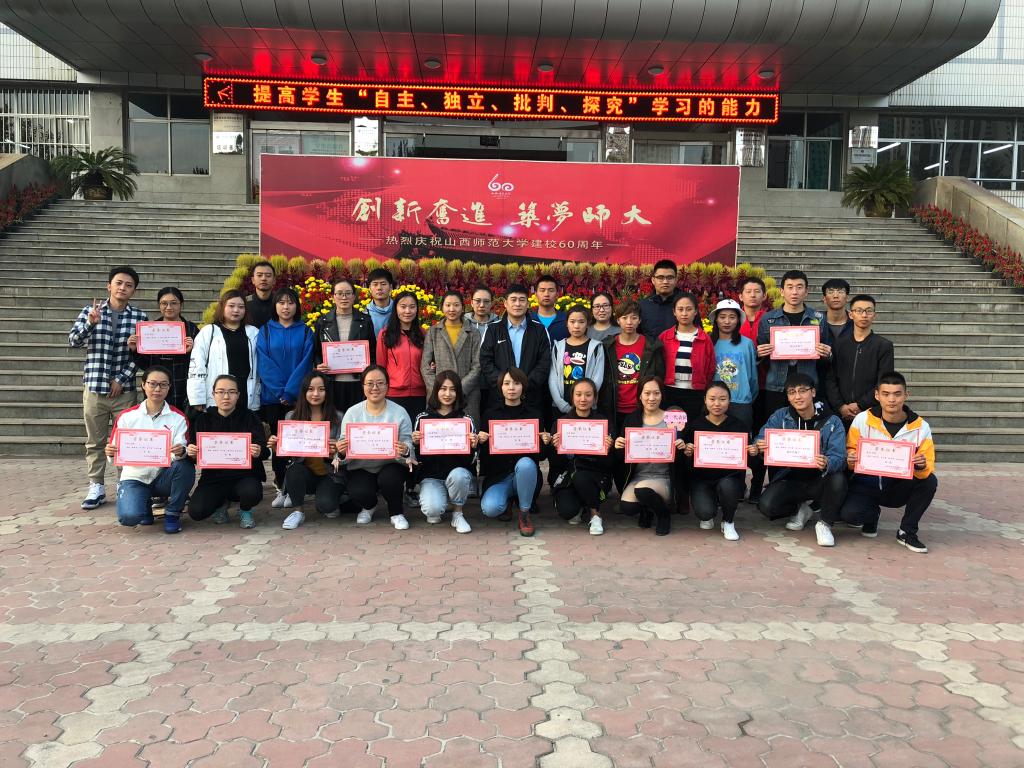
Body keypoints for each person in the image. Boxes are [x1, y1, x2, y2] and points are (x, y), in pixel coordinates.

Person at [69, 265, 148, 510]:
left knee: (126, 440)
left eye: (128, 285)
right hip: (94, 387)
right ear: (109, 286)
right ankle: (96, 485)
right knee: (95, 441)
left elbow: (143, 355)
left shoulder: (140, 317)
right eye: (119, 283)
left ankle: (126, 483)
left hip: (124, 391)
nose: (123, 288)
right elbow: (74, 341)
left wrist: (121, 379)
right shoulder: (90, 311)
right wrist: (90, 324)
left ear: (134, 291)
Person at [841, 372, 936, 553]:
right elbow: (850, 449)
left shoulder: (921, 427)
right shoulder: (863, 419)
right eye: (886, 394)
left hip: (898, 486)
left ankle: (907, 531)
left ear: (906, 395)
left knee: (930, 481)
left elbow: (927, 466)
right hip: (866, 483)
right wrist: (851, 457)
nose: (891, 400)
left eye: (897, 394)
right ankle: (872, 515)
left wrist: (921, 464)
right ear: (877, 395)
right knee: (850, 515)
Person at [753, 373, 847, 547]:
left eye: (802, 391)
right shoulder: (781, 416)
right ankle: (801, 508)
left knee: (838, 478)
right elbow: (760, 437)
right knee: (767, 506)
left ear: (813, 392)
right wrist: (759, 445)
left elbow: (840, 457)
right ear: (788, 396)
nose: (797, 396)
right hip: (790, 479)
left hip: (820, 480)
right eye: (792, 392)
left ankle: (825, 523)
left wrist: (827, 462)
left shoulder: (832, 421)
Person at [106, 366, 194, 534]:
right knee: (129, 518)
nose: (157, 389)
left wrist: (180, 452)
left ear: (169, 387)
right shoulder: (127, 416)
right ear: (143, 384)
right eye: (152, 384)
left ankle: (172, 513)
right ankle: (144, 505)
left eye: (163, 384)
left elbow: (182, 449)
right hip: (135, 477)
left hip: (163, 476)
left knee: (185, 467)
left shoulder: (178, 417)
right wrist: (111, 452)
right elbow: (115, 451)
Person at [185, 374, 269, 529]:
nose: (226, 397)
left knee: (251, 493)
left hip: (244, 476)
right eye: (221, 392)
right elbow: (194, 455)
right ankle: (220, 504)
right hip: (213, 478)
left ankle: (245, 510)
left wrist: (258, 451)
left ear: (238, 395)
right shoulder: (203, 420)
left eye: (231, 392)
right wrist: (191, 452)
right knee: (197, 511)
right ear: (213, 394)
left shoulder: (249, 417)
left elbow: (265, 451)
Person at [257, 287, 315, 506]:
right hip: (272, 398)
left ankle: (293, 489)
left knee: (296, 442)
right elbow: (264, 362)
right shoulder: (265, 331)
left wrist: (290, 391)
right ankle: (281, 486)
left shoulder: (305, 331)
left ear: (296, 306)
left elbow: (306, 362)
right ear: (275, 306)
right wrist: (280, 391)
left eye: (290, 303)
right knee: (277, 444)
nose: (286, 307)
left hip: (297, 397)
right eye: (281, 303)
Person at [337, 366, 414, 530]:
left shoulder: (399, 412)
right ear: (363, 386)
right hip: (361, 466)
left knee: (390, 479)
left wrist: (405, 450)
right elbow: (342, 448)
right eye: (370, 383)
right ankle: (369, 506)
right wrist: (342, 452)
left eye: (380, 383)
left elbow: (409, 444)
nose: (375, 388)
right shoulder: (352, 413)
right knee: (358, 491)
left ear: (387, 385)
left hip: (391, 464)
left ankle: (396, 512)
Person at [599, 300, 665, 491]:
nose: (629, 322)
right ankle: (620, 491)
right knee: (616, 452)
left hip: (640, 410)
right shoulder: (607, 345)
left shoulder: (651, 346)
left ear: (640, 320)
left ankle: (636, 491)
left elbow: (659, 375)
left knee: (637, 454)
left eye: (634, 318)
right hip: (614, 408)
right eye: (624, 318)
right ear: (617, 320)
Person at [266, 371, 345, 530]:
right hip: (305, 473)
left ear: (327, 392)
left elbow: (344, 455)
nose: (316, 394)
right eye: (310, 389)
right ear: (303, 392)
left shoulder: (338, 417)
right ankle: (298, 511)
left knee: (326, 506)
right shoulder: (291, 417)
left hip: (329, 473)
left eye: (321, 389)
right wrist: (277, 448)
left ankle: (338, 497)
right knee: (294, 469)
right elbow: (290, 455)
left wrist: (337, 450)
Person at [478, 367, 550, 537]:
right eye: (507, 383)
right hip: (499, 477)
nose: (511, 387)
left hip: (525, 475)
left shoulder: (534, 415)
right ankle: (509, 500)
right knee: (491, 508)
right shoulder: (490, 415)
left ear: (523, 387)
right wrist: (481, 442)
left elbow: (541, 456)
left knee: (525, 463)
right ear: (500, 387)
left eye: (516, 383)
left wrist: (544, 442)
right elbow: (484, 457)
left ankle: (524, 514)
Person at [682, 382, 758, 541]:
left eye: (722, 399)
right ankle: (710, 508)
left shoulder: (739, 426)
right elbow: (686, 461)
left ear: (729, 401)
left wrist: (753, 452)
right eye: (712, 399)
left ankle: (728, 521)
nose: (717, 403)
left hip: (729, 477)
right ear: (705, 400)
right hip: (702, 479)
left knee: (728, 486)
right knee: (705, 513)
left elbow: (749, 459)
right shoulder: (695, 426)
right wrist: (688, 453)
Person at [756, 269, 833, 417]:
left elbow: (828, 355)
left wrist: (827, 354)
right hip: (777, 386)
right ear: (782, 291)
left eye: (799, 287)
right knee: (777, 424)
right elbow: (759, 355)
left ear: (806, 291)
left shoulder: (818, 318)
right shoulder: (768, 319)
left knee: (806, 425)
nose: (794, 292)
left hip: (808, 385)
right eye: (790, 287)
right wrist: (759, 354)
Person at [615, 376, 685, 536]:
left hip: (663, 477)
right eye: (647, 393)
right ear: (640, 395)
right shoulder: (632, 418)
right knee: (628, 507)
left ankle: (664, 516)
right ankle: (647, 510)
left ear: (662, 395)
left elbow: (681, 459)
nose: (651, 398)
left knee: (643, 491)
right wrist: (618, 446)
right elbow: (621, 457)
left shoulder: (672, 418)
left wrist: (681, 447)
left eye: (656, 393)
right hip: (639, 477)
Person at [412, 371, 478, 533]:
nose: (447, 394)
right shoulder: (423, 418)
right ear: (436, 390)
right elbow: (417, 457)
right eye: (443, 389)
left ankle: (457, 513)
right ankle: (443, 498)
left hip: (456, 474)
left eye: (452, 389)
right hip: (431, 476)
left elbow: (471, 461)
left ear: (458, 393)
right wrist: (416, 443)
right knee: (432, 511)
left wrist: (473, 446)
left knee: (460, 475)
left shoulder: (466, 420)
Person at [549, 378, 614, 535]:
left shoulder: (603, 422)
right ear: (572, 397)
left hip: (595, 476)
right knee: (568, 512)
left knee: (581, 477)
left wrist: (609, 449)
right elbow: (555, 463)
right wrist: (555, 447)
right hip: (567, 477)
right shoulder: (561, 423)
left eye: (588, 395)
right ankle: (581, 505)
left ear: (595, 398)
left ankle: (595, 514)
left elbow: (610, 463)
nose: (583, 399)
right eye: (578, 394)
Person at [479, 283, 552, 413]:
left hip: (532, 399)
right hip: (499, 399)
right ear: (505, 303)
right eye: (513, 299)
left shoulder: (540, 330)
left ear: (528, 304)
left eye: (522, 300)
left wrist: (524, 385)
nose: (517, 304)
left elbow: (544, 362)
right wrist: (505, 384)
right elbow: (485, 361)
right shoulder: (493, 330)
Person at [825, 294, 895, 426]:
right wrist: (840, 406)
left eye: (869, 311)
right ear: (851, 315)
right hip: (840, 413)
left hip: (871, 412)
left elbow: (884, 381)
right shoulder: (839, 344)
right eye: (859, 311)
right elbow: (830, 378)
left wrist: (860, 405)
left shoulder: (883, 345)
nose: (864, 315)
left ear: (874, 315)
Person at [187, 290, 260, 414]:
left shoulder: (254, 333)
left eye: (241, 307)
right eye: (231, 306)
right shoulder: (209, 332)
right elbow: (197, 365)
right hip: (218, 394)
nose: (236, 310)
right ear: (222, 307)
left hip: (245, 391)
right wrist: (197, 397)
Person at [128, 287, 199, 413]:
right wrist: (134, 350)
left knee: (183, 421)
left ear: (181, 305)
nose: (169, 307)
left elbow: (199, 362)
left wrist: (190, 351)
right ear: (159, 305)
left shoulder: (191, 329)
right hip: (157, 386)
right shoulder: (150, 329)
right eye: (164, 303)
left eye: (174, 303)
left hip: (184, 384)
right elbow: (145, 365)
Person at [313, 278, 376, 413]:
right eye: (340, 293)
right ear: (333, 297)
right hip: (332, 383)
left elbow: (373, 350)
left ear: (354, 296)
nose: (344, 297)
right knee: (334, 418)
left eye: (348, 293)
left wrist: (368, 368)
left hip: (358, 382)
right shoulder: (322, 322)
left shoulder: (365, 321)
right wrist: (319, 365)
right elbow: (316, 351)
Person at [421, 290, 482, 425]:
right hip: (439, 395)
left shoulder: (473, 333)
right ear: (442, 307)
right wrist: (439, 389)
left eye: (456, 305)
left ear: (463, 307)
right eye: (448, 305)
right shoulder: (433, 332)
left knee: (467, 433)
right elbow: (425, 366)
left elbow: (477, 366)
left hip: (467, 395)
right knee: (439, 432)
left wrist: (459, 389)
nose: (452, 309)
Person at [738, 276, 770, 503]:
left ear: (764, 295)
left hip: (765, 385)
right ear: (740, 296)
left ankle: (757, 484)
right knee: (738, 436)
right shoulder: (732, 318)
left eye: (757, 291)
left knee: (761, 437)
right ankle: (738, 483)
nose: (752, 295)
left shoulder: (771, 320)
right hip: (738, 391)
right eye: (748, 291)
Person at [709, 299, 758, 433]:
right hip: (714, 402)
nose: (727, 321)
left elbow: (753, 376)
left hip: (740, 403)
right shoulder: (709, 343)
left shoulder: (747, 344)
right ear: (716, 319)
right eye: (722, 317)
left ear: (738, 320)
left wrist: (746, 398)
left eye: (732, 317)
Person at [549, 305, 605, 415]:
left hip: (586, 407)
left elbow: (598, 378)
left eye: (581, 322)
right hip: (561, 406)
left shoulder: (596, 347)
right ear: (566, 323)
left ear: (588, 323)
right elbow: (552, 378)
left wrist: (587, 400)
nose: (576, 326)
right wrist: (561, 404)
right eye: (572, 321)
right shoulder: (558, 347)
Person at [639, 259, 682, 338]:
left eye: (670, 277)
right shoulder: (643, 306)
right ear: (653, 280)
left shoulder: (686, 304)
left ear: (676, 280)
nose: (665, 282)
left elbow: (697, 333)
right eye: (660, 277)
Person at [530, 275, 567, 342]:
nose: (546, 294)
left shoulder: (566, 320)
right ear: (536, 294)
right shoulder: (528, 320)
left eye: (551, 290)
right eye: (542, 290)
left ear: (557, 294)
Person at [245, 261, 277, 328]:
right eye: (259, 275)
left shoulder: (279, 302)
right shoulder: (244, 303)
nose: (263, 278)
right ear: (253, 280)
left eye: (268, 275)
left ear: (274, 280)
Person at [365, 267, 395, 337]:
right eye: (375, 284)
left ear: (391, 287)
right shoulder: (364, 313)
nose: (379, 288)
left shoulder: (399, 310)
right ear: (369, 288)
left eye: (383, 284)